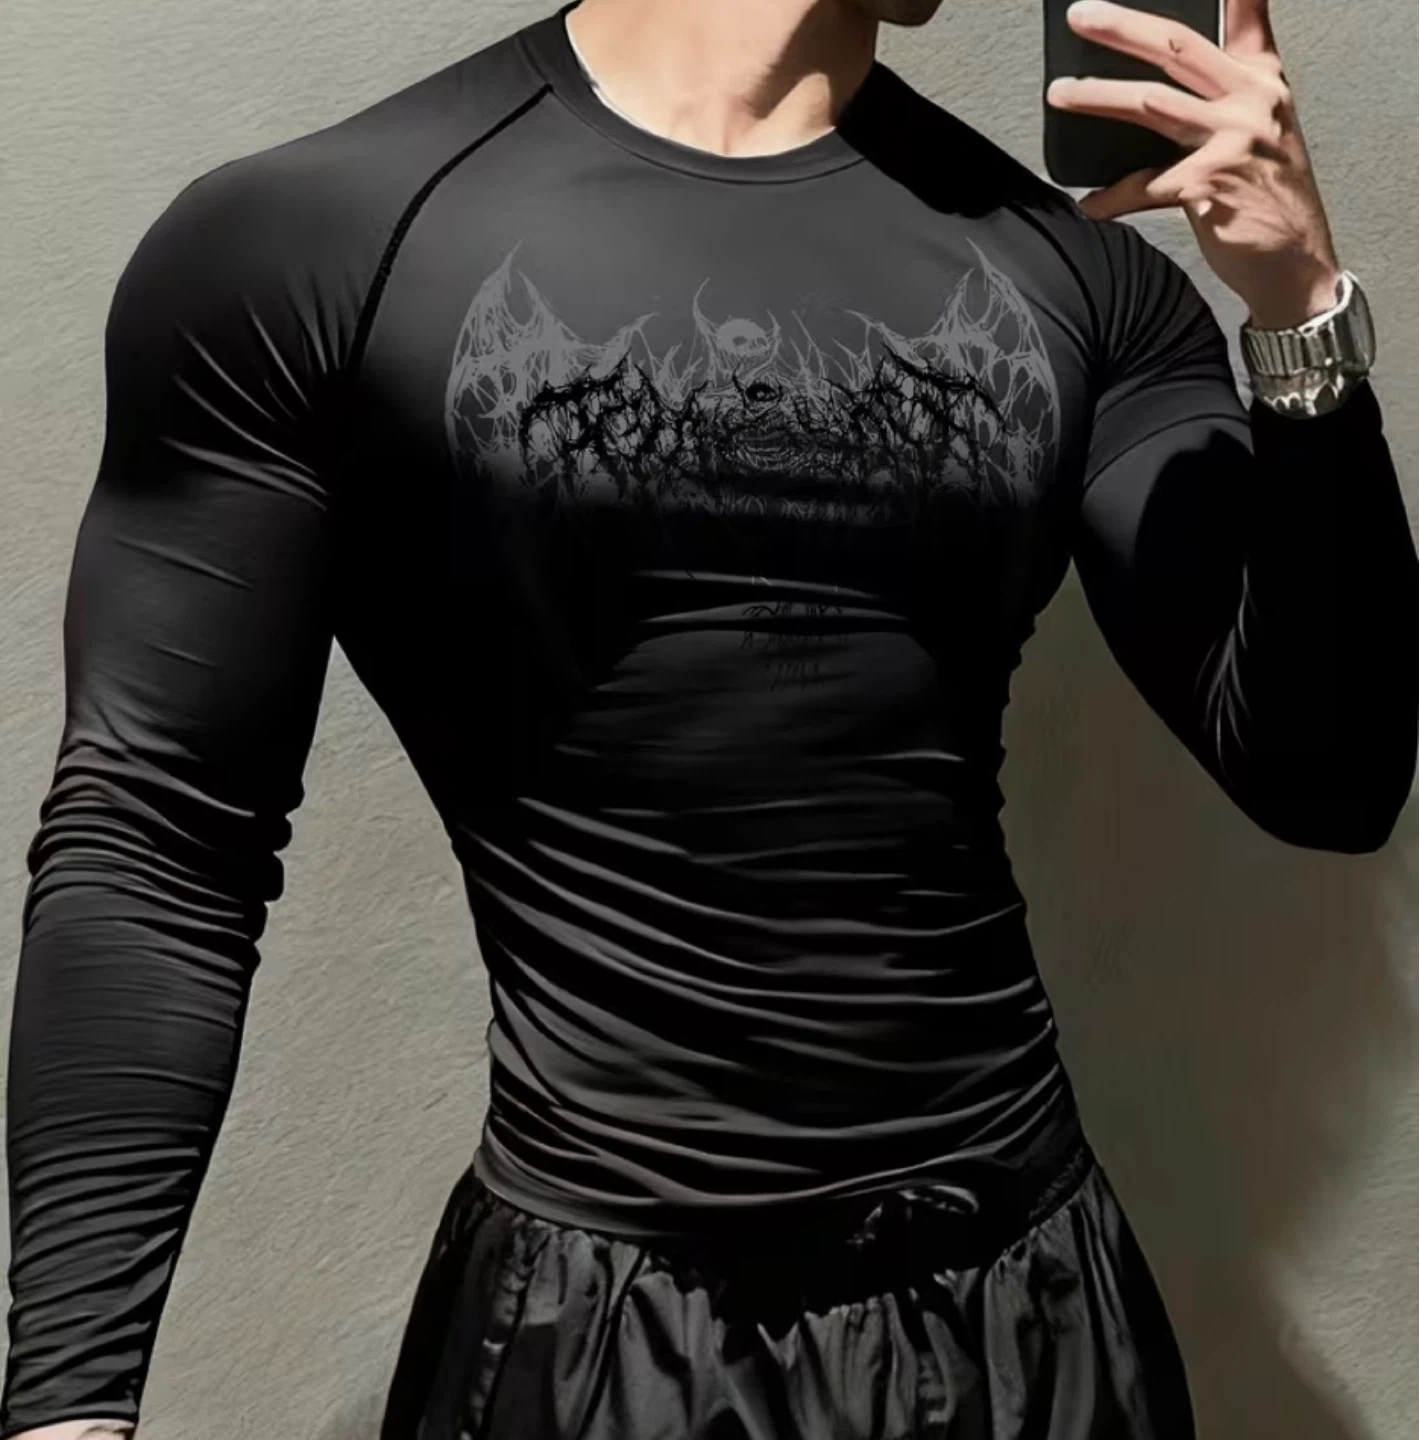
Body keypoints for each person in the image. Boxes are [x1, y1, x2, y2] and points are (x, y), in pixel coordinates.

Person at [4, 0, 1416, 1435]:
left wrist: (1298, 313)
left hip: (1034, 1322)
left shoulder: (1080, 280)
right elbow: (162, 842)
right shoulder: (314, 240)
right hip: (601, 1340)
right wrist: (71, 1404)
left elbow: (1326, 778)